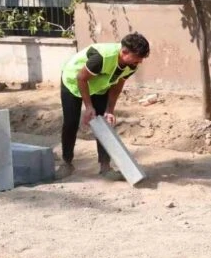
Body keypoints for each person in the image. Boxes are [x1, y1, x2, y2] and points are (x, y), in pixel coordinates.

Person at [56, 32, 150, 180]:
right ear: (124, 52)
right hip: (74, 81)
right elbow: (81, 78)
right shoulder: (101, 58)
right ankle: (66, 162)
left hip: (99, 86)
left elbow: (117, 85)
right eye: (137, 58)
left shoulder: (131, 65)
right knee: (71, 122)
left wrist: (109, 110)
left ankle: (105, 167)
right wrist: (89, 107)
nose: (140, 62)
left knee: (104, 122)